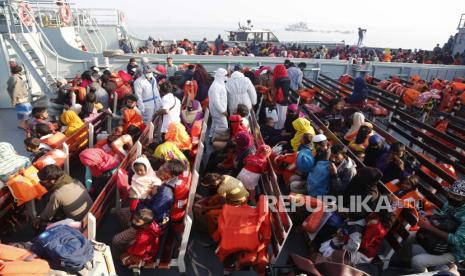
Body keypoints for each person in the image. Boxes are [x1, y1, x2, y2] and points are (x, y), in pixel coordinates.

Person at [398, 179, 465, 273]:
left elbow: (457, 241)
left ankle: (448, 269)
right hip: (438, 239)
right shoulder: (450, 204)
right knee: (410, 238)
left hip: (454, 251)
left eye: (456, 196)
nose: (451, 196)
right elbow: (441, 217)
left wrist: (429, 227)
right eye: (451, 193)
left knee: (417, 261)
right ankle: (404, 265)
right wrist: (428, 218)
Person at [138, 159, 185, 226]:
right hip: (142, 210)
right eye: (163, 166)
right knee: (119, 213)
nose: (160, 169)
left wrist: (145, 197)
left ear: (171, 176)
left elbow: (151, 215)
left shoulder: (165, 194)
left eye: (165, 171)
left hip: (146, 224)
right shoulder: (161, 180)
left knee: (118, 236)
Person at [208, 68, 228, 138]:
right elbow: (216, 101)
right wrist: (222, 111)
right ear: (221, 76)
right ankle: (220, 142)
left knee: (215, 124)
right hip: (218, 111)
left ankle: (211, 137)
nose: (226, 77)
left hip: (217, 110)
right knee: (224, 126)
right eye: (225, 75)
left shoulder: (219, 84)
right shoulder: (216, 86)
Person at [272, 64, 291, 130]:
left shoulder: (277, 79)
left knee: (278, 113)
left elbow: (275, 90)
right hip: (284, 99)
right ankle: (281, 127)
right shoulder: (287, 79)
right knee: (282, 114)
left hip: (278, 98)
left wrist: (273, 99)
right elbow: (286, 91)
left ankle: (276, 127)